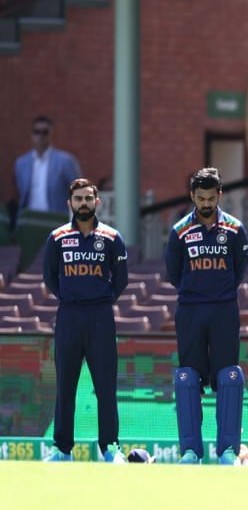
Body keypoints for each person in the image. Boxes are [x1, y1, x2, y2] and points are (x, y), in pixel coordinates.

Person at [165, 168, 248, 465]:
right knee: (187, 377)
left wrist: (217, 292)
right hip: (190, 310)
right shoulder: (179, 232)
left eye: (211, 198)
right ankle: (191, 451)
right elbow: (174, 273)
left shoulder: (236, 229)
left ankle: (227, 450)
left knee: (228, 376)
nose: (205, 203)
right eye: (200, 198)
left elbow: (239, 270)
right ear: (192, 196)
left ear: (220, 196)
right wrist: (197, 293)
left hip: (224, 309)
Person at [42, 178, 128, 462]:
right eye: (78, 199)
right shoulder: (56, 238)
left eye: (88, 199)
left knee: (106, 386)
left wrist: (99, 300)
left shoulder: (112, 238)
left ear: (97, 202)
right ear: (70, 203)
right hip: (69, 316)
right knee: (65, 386)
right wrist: (71, 298)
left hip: (101, 317)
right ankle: (63, 449)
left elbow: (122, 280)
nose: (83, 204)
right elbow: (49, 278)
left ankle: (109, 447)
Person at [14, 116, 82, 216]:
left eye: (45, 132)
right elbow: (21, 192)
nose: (41, 136)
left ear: (51, 134)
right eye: (37, 132)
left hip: (56, 218)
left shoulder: (65, 161)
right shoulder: (21, 163)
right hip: (29, 218)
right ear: (32, 135)